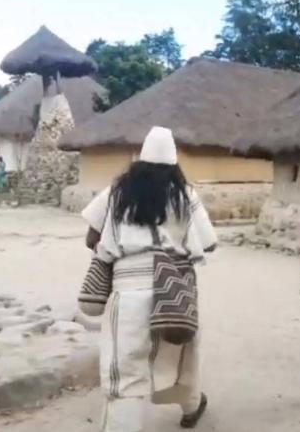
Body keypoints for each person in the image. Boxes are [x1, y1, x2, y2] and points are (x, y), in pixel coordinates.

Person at [81, 126, 217, 432]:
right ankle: (192, 406)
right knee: (179, 358)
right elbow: (208, 243)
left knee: (126, 377)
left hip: (127, 293)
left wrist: (124, 243)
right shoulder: (185, 194)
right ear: (174, 162)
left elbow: (91, 237)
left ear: (140, 159)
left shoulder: (117, 191)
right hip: (173, 291)